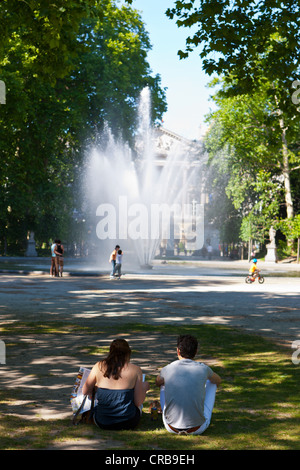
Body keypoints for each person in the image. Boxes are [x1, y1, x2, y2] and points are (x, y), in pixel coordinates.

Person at [155, 334, 221, 435]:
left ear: (178, 351)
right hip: (197, 429)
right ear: (196, 351)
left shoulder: (168, 368)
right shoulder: (203, 368)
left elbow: (157, 382)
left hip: (171, 427)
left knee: (163, 383)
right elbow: (218, 380)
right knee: (212, 383)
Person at [82, 339, 149, 430]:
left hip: (102, 421)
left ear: (110, 352)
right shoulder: (136, 370)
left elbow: (85, 391)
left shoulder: (99, 366)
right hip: (129, 422)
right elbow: (138, 402)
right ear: (128, 353)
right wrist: (144, 388)